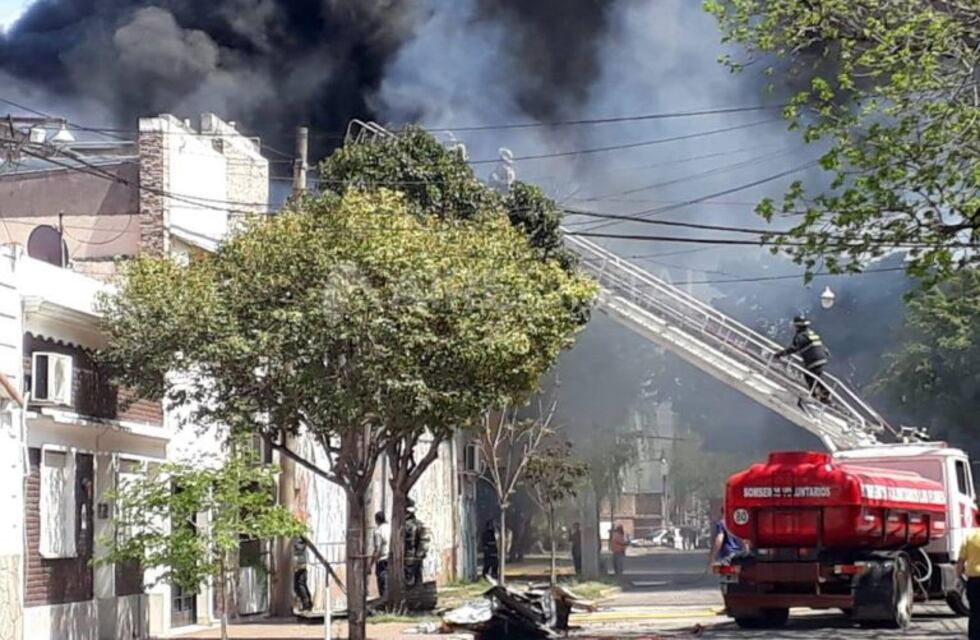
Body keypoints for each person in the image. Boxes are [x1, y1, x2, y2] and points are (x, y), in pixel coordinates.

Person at [774, 314, 831, 407]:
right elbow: (821, 345)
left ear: (797, 326)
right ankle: (822, 396)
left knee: (810, 377)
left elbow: (793, 348)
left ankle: (822, 396)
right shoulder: (811, 333)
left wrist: (779, 354)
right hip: (821, 358)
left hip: (813, 360)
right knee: (814, 377)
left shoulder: (800, 337)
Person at [956, 510, 980, 640]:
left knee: (975, 613)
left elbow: (960, 564)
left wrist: (960, 577)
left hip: (974, 582)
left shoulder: (969, 537)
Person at [404, 500, 431, 586]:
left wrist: (419, 555)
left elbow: (424, 540)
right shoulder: (405, 524)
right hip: (408, 558)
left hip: (411, 557)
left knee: (412, 581)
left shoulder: (414, 525)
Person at [371, 511, 391, 599]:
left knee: (382, 580)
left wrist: (370, 564)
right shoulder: (390, 528)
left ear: (376, 520)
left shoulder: (378, 531)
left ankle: (384, 600)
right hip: (391, 558)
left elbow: (377, 549)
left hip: (382, 560)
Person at [292, 537, 313, 611]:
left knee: (300, 585)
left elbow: (299, 548)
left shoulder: (300, 538)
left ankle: (306, 604)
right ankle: (306, 603)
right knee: (298, 585)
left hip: (301, 564)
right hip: (299, 564)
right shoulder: (297, 538)